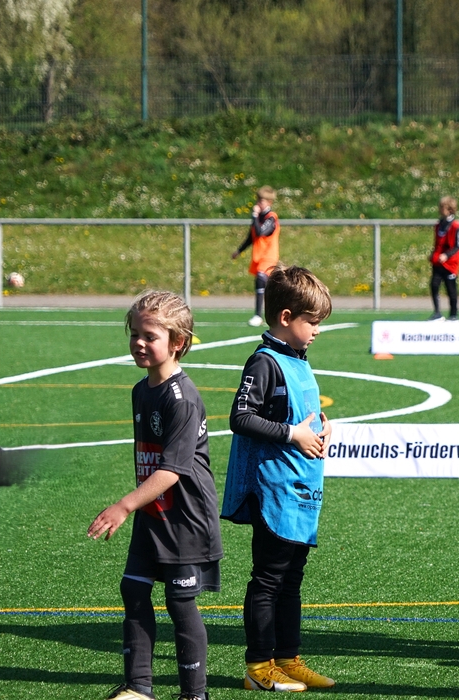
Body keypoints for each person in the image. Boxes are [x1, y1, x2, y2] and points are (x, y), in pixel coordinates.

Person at [88, 291, 222, 700]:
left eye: (150, 336)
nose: (139, 343)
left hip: (185, 519)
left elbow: (172, 470)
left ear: (178, 342)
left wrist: (124, 505)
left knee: (179, 602)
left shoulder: (182, 399)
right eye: (135, 334)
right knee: (133, 590)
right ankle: (138, 687)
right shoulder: (141, 389)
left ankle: (194, 694)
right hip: (154, 514)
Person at [221, 265, 336, 692]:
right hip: (272, 489)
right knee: (268, 578)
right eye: (312, 322)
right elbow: (240, 417)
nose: (317, 331)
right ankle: (258, 666)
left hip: (299, 488)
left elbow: (298, 415)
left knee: (292, 579)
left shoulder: (298, 358)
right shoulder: (264, 361)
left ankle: (287, 658)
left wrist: (321, 428)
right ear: (286, 318)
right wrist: (292, 434)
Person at [232, 185, 281, 327]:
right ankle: (271, 314)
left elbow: (260, 232)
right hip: (258, 257)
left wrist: (254, 216)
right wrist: (239, 251)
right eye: (258, 200)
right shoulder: (258, 218)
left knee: (261, 279)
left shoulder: (271, 218)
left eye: (262, 201)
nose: (259, 203)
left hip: (268, 256)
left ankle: (258, 315)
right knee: (269, 285)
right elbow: (251, 237)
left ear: (269, 202)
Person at [429, 195, 459, 321]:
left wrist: (447, 255)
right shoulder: (439, 225)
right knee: (434, 285)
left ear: (450, 209)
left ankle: (453, 315)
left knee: (451, 289)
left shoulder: (456, 226)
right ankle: (437, 313)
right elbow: (438, 243)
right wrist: (434, 254)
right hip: (438, 262)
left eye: (442, 207)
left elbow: (458, 245)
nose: (440, 210)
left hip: (450, 263)